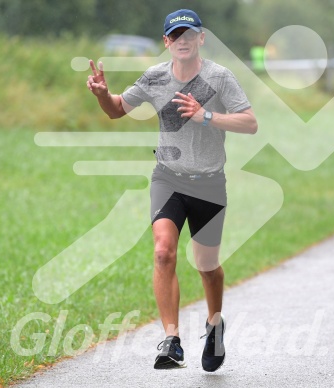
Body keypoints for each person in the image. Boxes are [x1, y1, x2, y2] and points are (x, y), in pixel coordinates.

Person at [86, 9, 257, 371]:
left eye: (189, 35)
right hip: (168, 178)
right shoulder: (155, 78)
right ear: (166, 42)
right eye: (175, 36)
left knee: (207, 265)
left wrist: (206, 115)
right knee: (164, 252)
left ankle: (215, 325)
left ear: (201, 39)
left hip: (209, 182)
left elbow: (250, 123)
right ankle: (171, 339)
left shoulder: (219, 78)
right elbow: (117, 109)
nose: (182, 41)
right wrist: (103, 94)